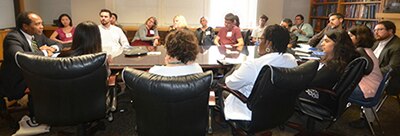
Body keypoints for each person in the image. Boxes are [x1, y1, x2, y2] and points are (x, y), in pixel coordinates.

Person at [0, 11, 63, 128]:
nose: (42, 26)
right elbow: (20, 56)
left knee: (52, 78)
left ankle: (48, 111)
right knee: (42, 82)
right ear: (25, 26)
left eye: (42, 23)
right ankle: (37, 116)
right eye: (38, 24)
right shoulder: (13, 37)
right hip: (17, 78)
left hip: (33, 73)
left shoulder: (38, 35)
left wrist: (52, 48)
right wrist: (44, 52)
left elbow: (58, 44)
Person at [223, 24, 298, 121]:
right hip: (280, 110)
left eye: (261, 39)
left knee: (222, 82)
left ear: (269, 44)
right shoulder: (291, 60)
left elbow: (230, 84)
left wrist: (231, 75)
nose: (258, 43)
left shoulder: (253, 65)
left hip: (252, 112)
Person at [299, 29, 359, 114]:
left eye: (327, 41)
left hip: (321, 97)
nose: (322, 44)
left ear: (338, 44)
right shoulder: (340, 60)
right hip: (327, 95)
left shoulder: (334, 66)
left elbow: (311, 81)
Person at [347, 25, 383, 129]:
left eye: (351, 36)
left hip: (367, 90)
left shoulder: (360, 52)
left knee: (335, 87)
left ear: (359, 37)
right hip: (375, 87)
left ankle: (328, 113)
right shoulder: (367, 50)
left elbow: (364, 70)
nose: (348, 39)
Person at [372, 21, 400, 96]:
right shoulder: (377, 42)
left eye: (380, 29)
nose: (376, 32)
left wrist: (372, 72)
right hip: (373, 73)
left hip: (387, 79)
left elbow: (393, 68)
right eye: (375, 30)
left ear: (390, 31)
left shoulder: (397, 46)